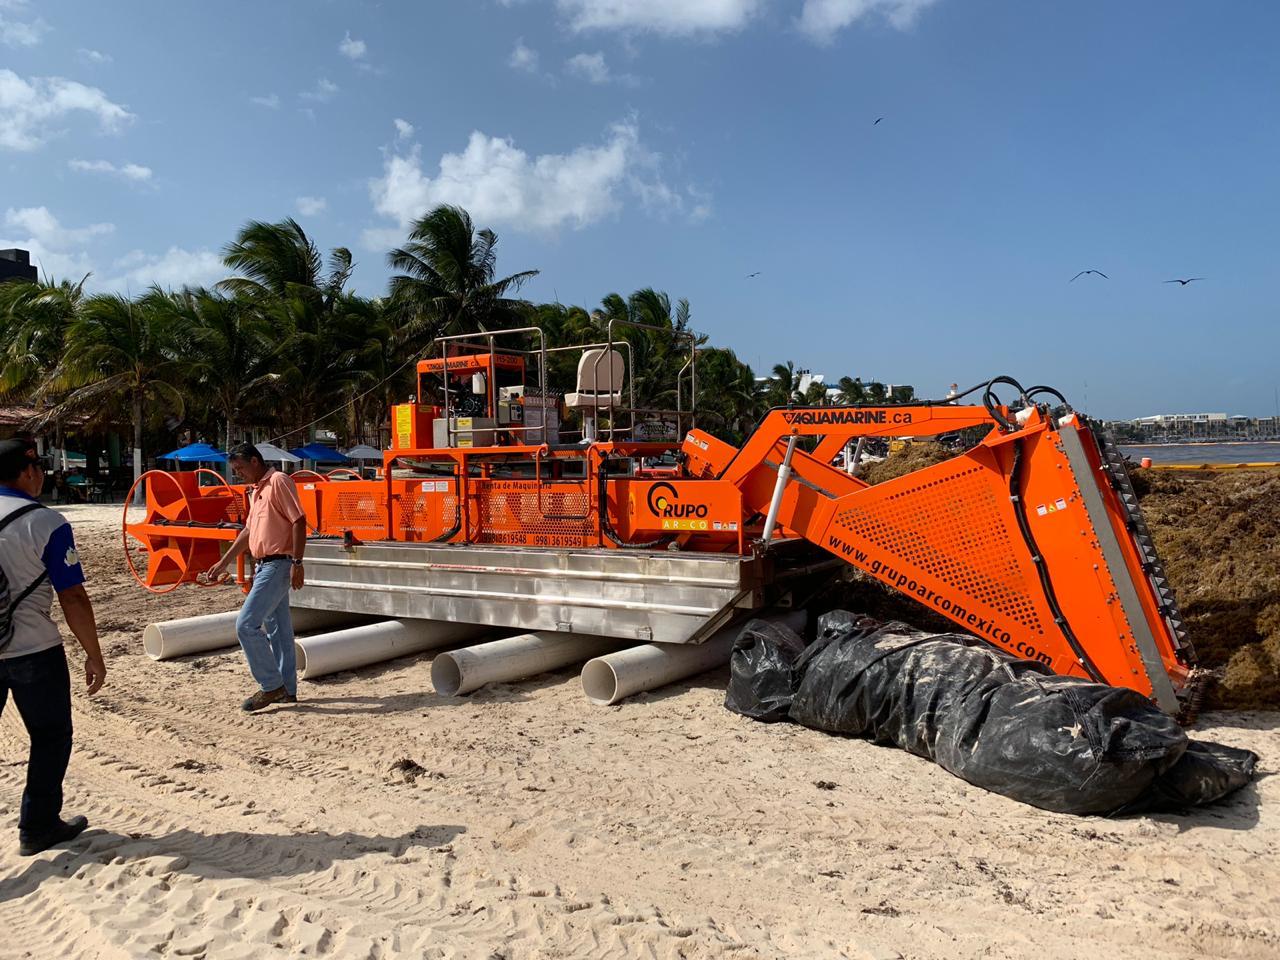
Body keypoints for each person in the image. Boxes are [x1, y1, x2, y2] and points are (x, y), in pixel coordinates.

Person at [0, 438, 105, 856]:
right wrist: (93, 653)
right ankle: (38, 827)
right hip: (33, 650)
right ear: (28, 472)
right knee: (49, 735)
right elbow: (72, 596)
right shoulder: (46, 522)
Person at [204, 444, 306, 712]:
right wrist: (223, 562)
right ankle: (287, 690)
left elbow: (299, 520)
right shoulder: (256, 491)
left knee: (246, 625)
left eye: (240, 468)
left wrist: (297, 562)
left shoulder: (278, 481)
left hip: (277, 564)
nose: (238, 474)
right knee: (279, 631)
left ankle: (271, 685)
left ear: (254, 461)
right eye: (235, 470)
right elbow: (248, 531)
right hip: (265, 565)